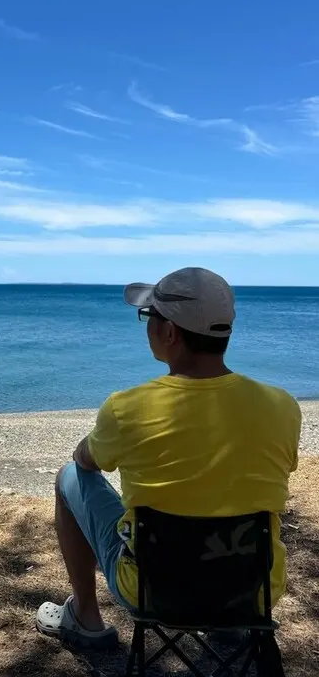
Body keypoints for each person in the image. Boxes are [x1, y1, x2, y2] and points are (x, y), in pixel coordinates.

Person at [35, 267, 302, 649]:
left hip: (152, 591)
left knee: (69, 477)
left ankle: (85, 618)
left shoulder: (127, 408)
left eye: (149, 317)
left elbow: (87, 462)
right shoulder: (282, 406)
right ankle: (228, 626)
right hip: (252, 591)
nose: (147, 326)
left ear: (171, 332)